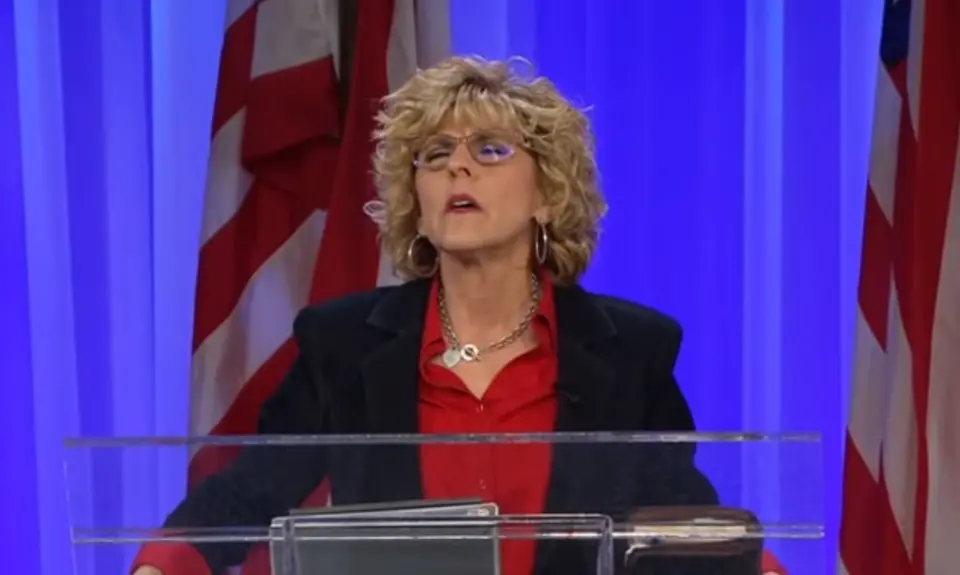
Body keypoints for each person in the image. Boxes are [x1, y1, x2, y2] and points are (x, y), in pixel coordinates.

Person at [131, 56, 763, 575]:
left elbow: (681, 520)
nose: (457, 166)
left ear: (547, 195)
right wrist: (163, 565)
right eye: (435, 155)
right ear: (418, 201)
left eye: (490, 149)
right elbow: (249, 490)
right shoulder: (343, 345)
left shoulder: (630, 351)